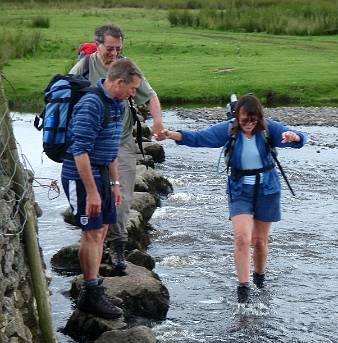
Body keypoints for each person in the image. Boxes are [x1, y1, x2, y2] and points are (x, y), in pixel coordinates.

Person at [159, 94, 307, 303]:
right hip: (239, 191)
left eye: (253, 120)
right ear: (237, 116)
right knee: (242, 238)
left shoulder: (268, 129)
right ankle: (243, 289)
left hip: (268, 189)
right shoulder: (229, 129)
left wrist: (295, 137)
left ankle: (260, 278)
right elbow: (200, 138)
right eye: (244, 119)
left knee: (259, 241)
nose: (249, 124)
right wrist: (171, 134)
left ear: (260, 117)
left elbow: (298, 138)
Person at [70, 23, 165, 271]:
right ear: (98, 44)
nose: (114, 54)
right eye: (110, 49)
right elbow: (67, 98)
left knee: (120, 196)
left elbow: (149, 94)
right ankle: (92, 251)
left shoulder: (127, 67)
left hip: (120, 141)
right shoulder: (84, 67)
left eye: (118, 49)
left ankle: (117, 247)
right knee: (91, 198)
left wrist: (157, 122)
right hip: (89, 143)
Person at [61, 58, 143, 319]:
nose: (134, 94)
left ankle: (93, 289)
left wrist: (115, 184)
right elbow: (79, 150)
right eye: (132, 89)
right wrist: (93, 191)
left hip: (103, 176)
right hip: (82, 176)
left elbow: (110, 151)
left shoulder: (118, 105)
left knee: (101, 230)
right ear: (119, 82)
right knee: (92, 232)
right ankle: (91, 293)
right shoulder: (91, 104)